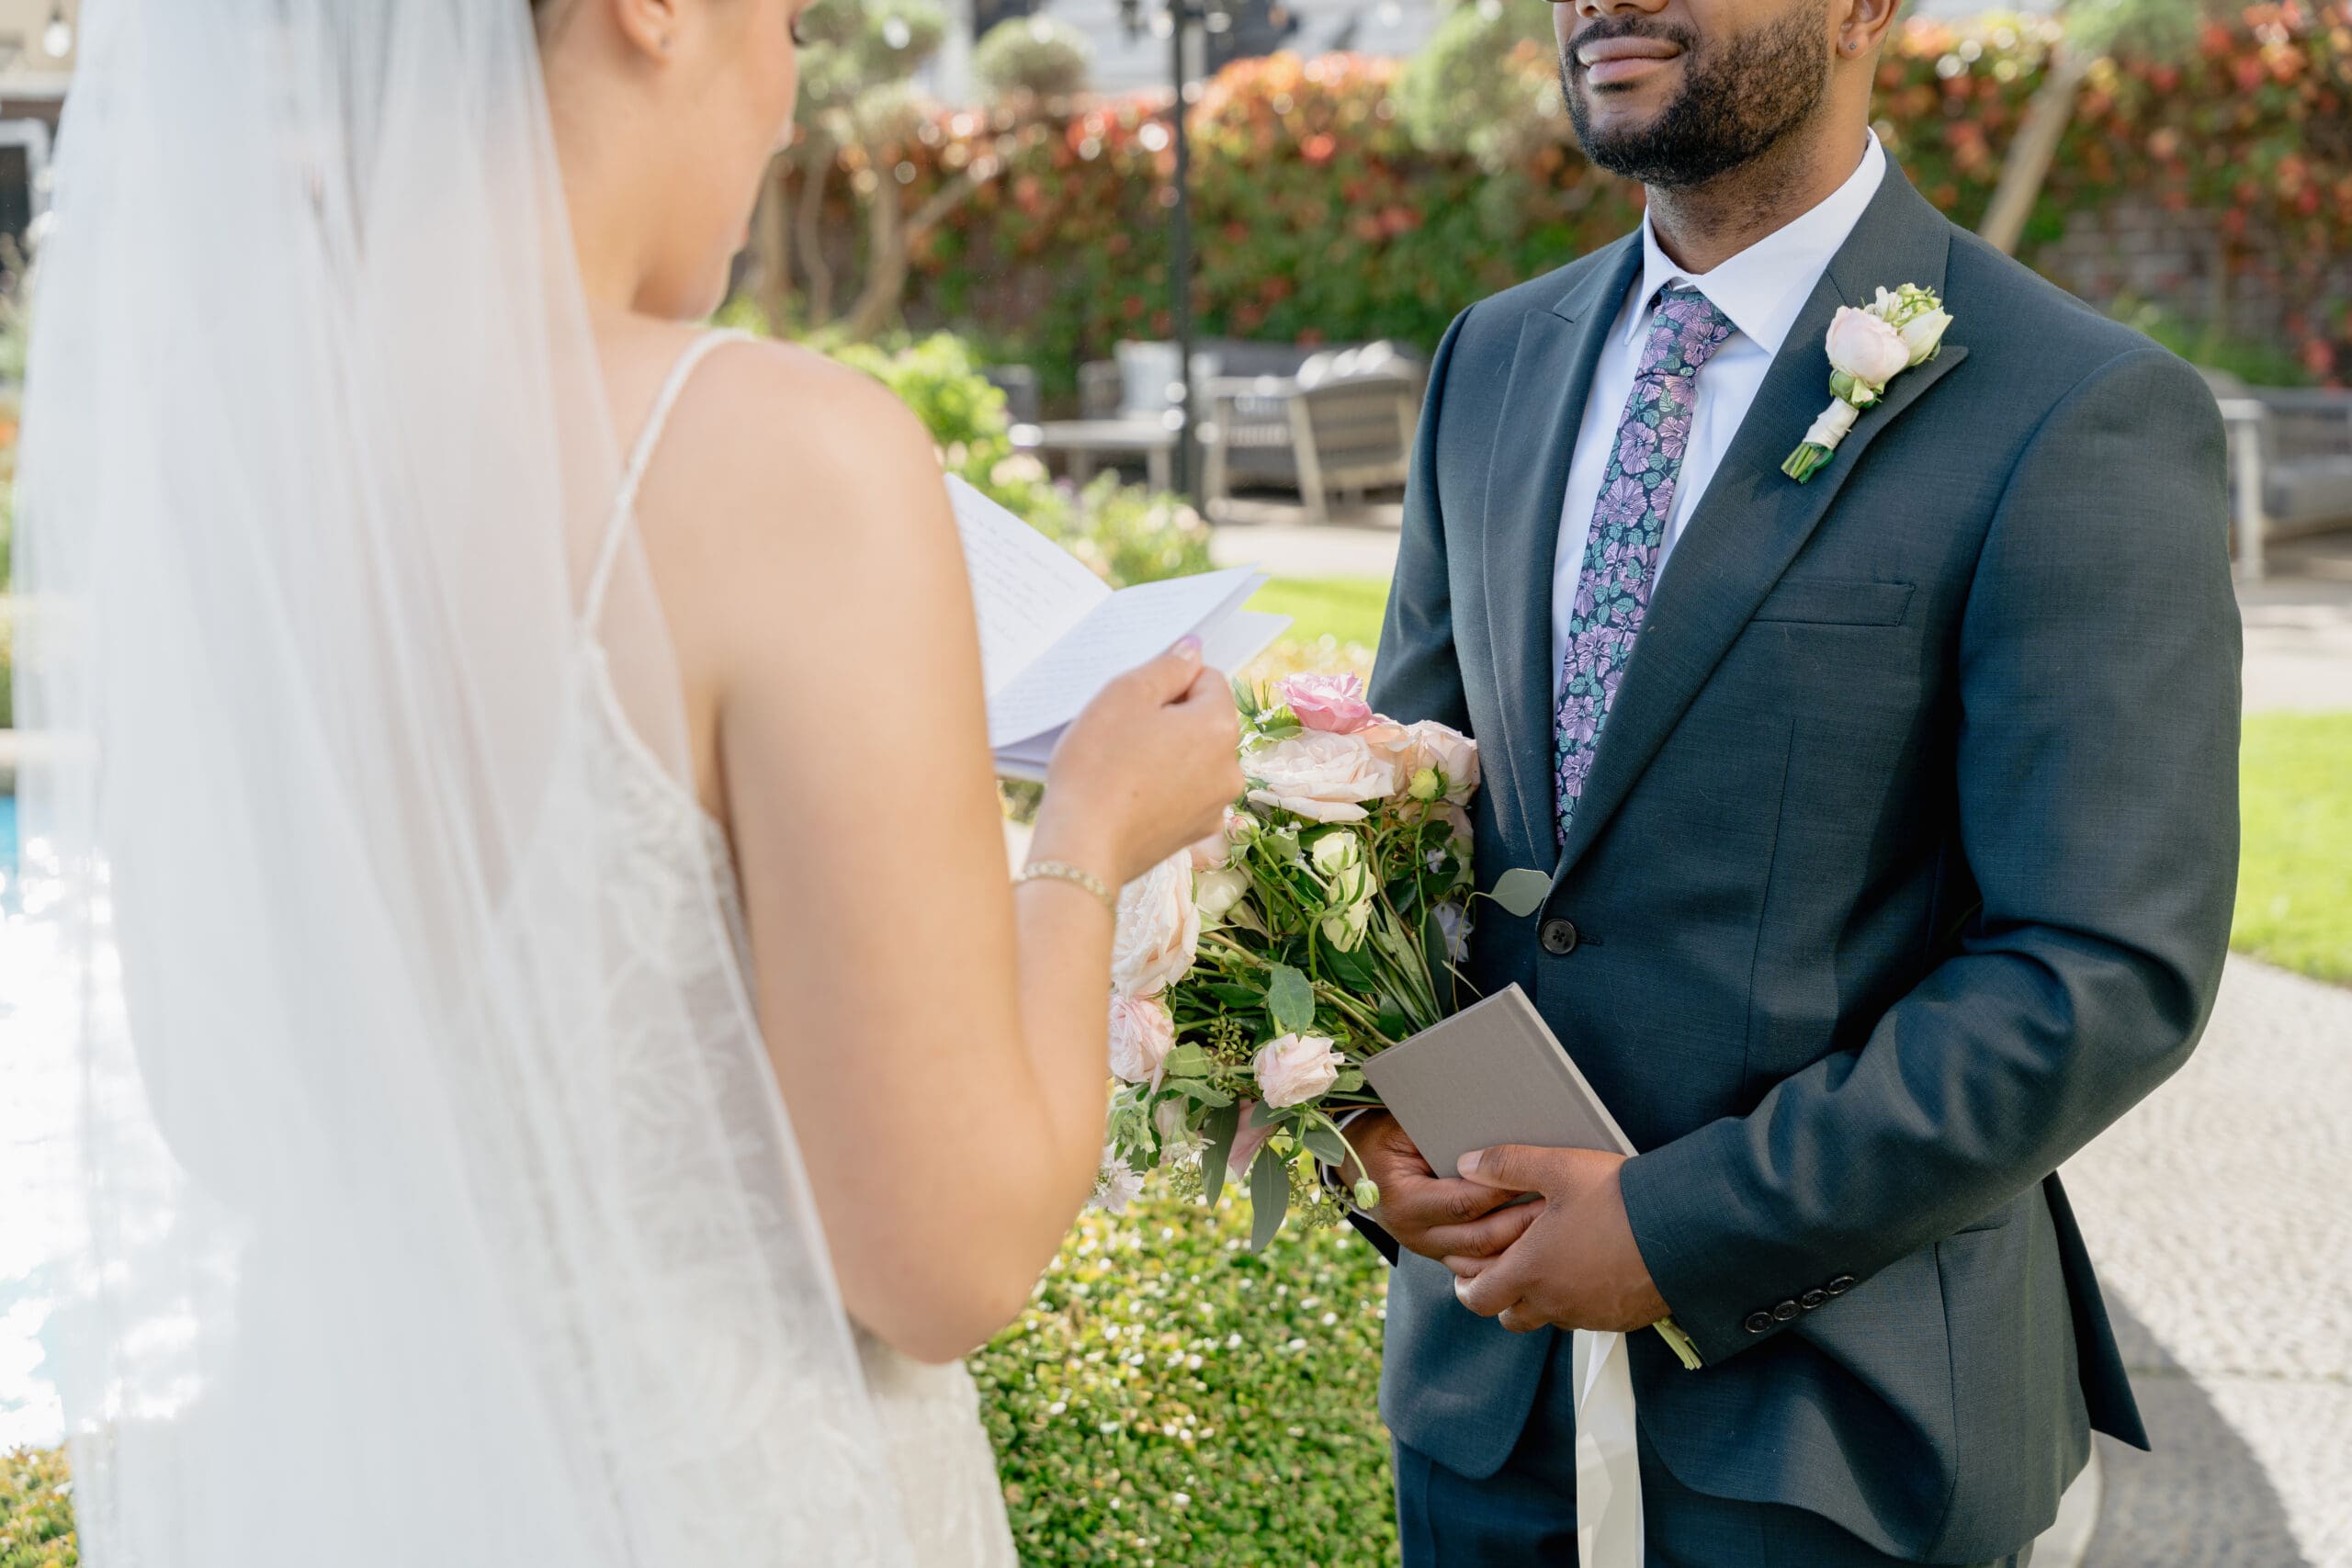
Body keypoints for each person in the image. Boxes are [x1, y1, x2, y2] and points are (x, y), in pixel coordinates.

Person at [16, 2, 1238, 1562]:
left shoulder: (225, 486)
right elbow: (948, 1259)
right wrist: (1093, 830)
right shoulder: (786, 459)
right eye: (791, 17)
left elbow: (222, 1117)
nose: (791, 99)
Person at [1342, 0, 2241, 1557]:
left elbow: (2098, 968)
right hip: (1484, 1426)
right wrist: (1372, 1129)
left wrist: (1677, 1236)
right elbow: (1404, 821)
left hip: (1840, 1449)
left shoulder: (2074, 408)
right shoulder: (1491, 359)